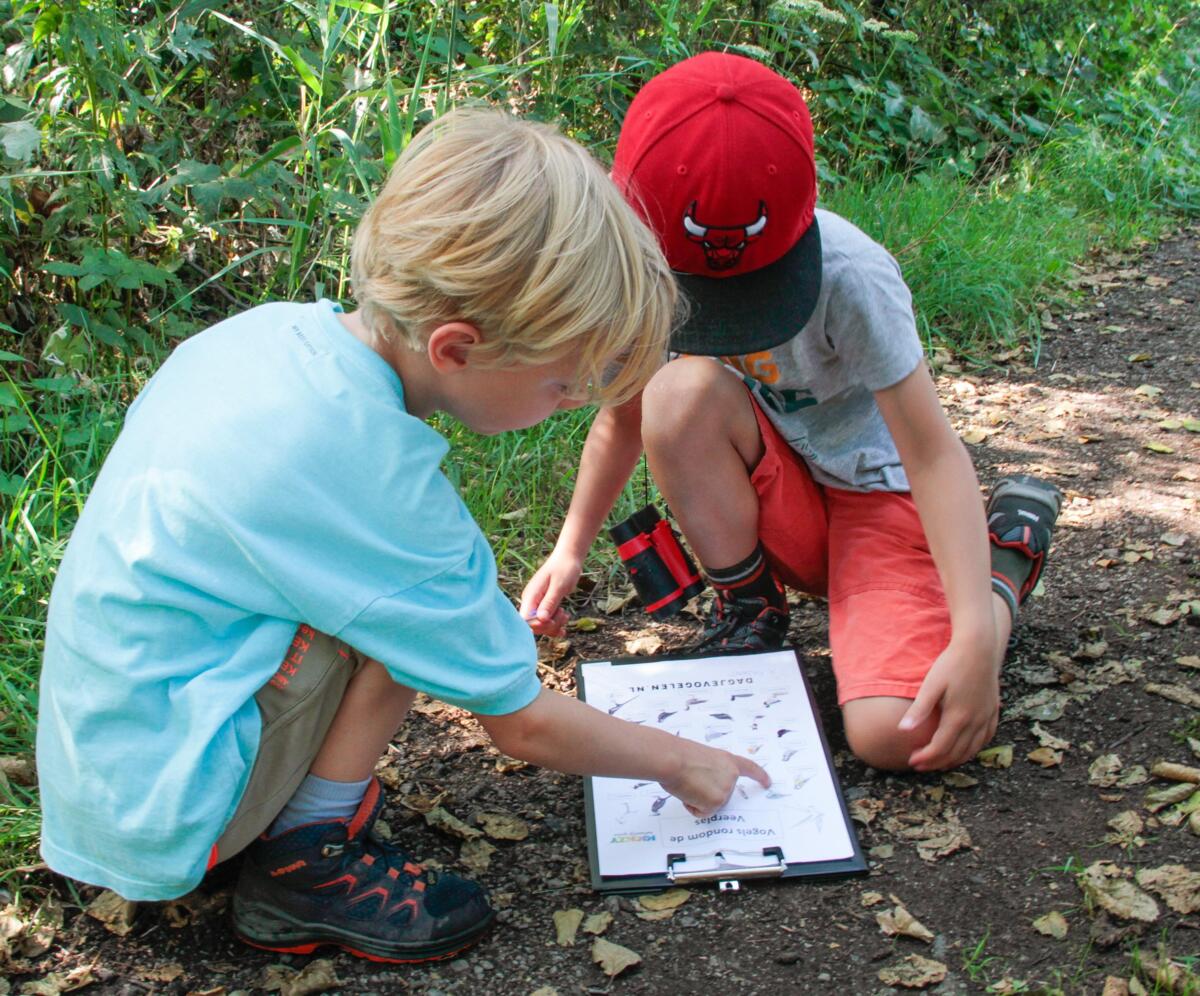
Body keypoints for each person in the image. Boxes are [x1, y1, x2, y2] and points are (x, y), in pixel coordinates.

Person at [36, 108, 769, 965]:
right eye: (562, 387)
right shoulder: (367, 476)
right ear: (456, 347)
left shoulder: (264, 337)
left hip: (112, 756)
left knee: (408, 605)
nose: (566, 409)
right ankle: (303, 861)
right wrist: (681, 761)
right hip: (171, 811)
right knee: (411, 620)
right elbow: (522, 723)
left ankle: (288, 812)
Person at [520, 53, 1062, 776]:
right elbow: (624, 417)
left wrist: (973, 639)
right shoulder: (639, 268)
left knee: (898, 735)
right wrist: (570, 548)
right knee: (677, 394)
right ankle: (752, 613)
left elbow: (931, 455)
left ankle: (999, 568)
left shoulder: (849, 275)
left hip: (881, 497)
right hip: (784, 496)